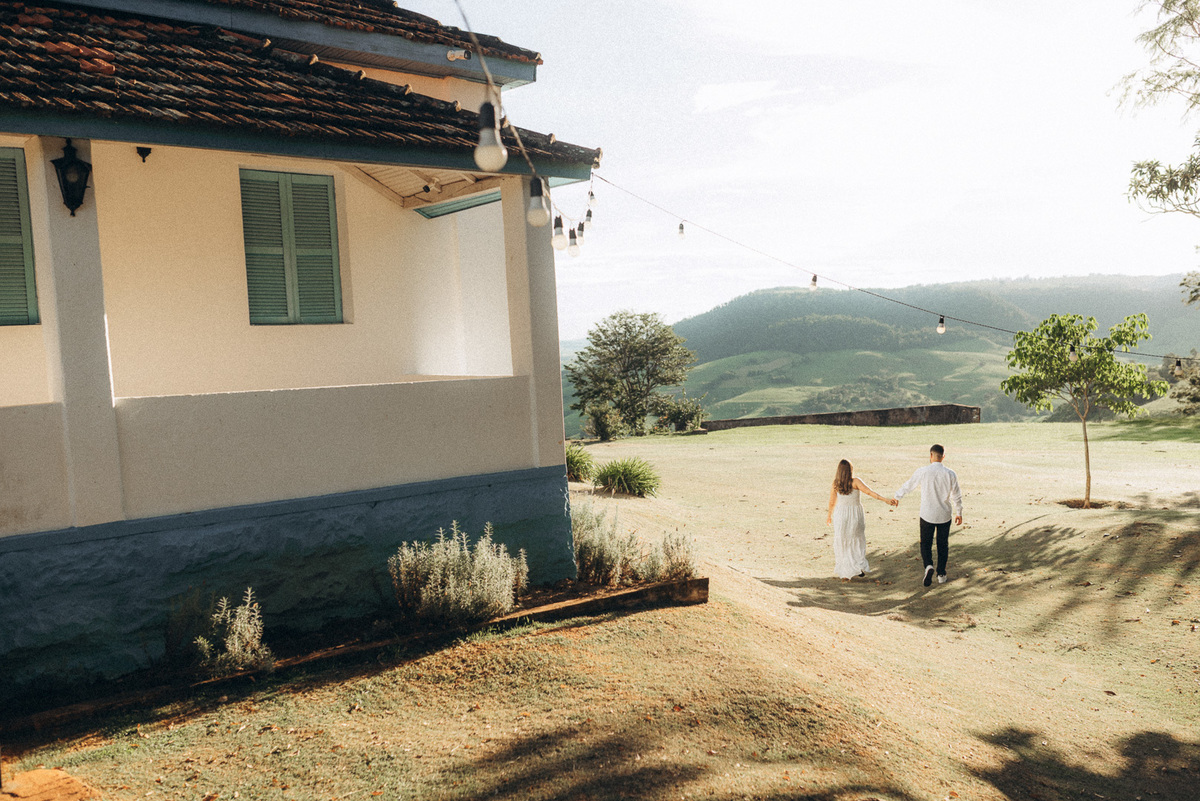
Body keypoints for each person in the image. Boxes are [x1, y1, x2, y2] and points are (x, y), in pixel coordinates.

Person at [894, 444, 963, 587]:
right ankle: (941, 574)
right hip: (944, 514)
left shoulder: (923, 471)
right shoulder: (950, 473)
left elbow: (909, 485)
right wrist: (959, 512)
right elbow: (957, 495)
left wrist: (897, 497)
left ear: (930, 455)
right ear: (943, 457)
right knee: (942, 544)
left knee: (925, 543)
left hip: (927, 514)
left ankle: (928, 566)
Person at [826, 459, 896, 580]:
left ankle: (847, 570)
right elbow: (870, 492)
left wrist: (829, 515)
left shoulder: (836, 483)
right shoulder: (856, 482)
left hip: (840, 514)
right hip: (854, 515)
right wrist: (885, 500)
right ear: (850, 470)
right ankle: (856, 566)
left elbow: (832, 501)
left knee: (843, 540)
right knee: (856, 539)